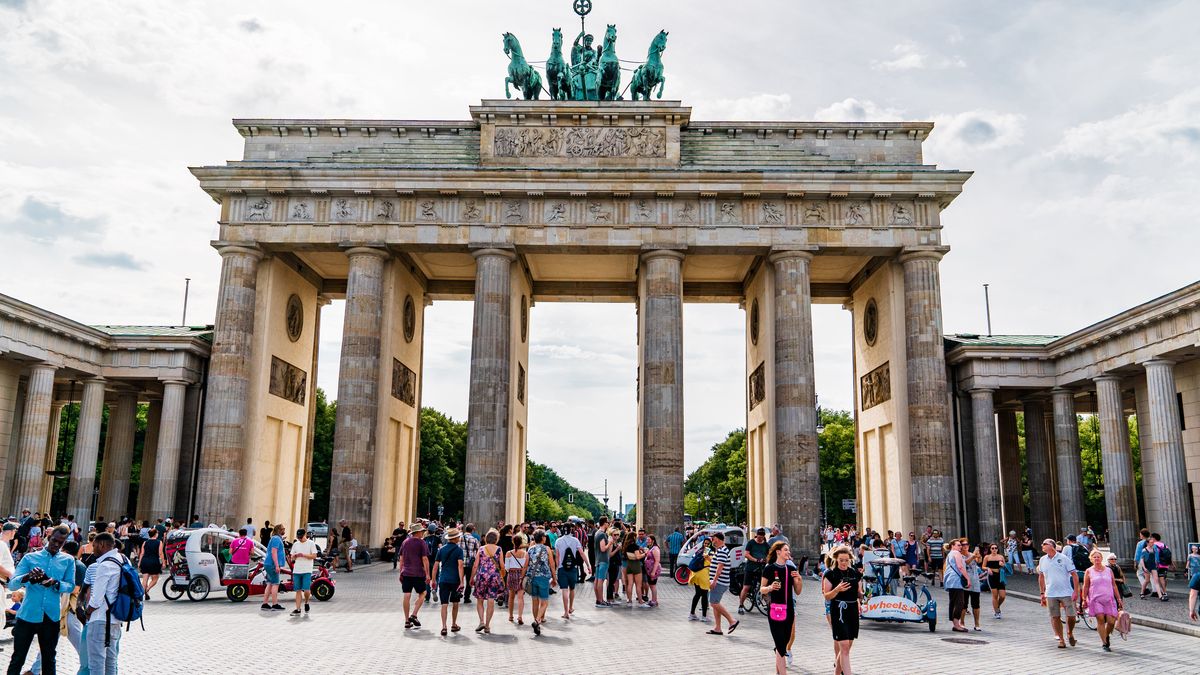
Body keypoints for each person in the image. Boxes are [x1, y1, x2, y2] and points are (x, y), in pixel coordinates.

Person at [5, 525, 75, 675]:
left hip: (51, 616)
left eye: (60, 542)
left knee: (49, 659)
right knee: (18, 658)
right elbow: (11, 584)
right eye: (54, 540)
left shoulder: (68, 560)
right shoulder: (30, 557)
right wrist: (28, 577)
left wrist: (55, 583)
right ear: (49, 538)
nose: (56, 545)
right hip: (28, 614)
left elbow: (70, 586)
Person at [81, 532, 125, 673]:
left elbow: (97, 598)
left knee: (96, 662)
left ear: (101, 545)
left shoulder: (104, 565)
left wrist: (87, 612)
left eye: (94, 546)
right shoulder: (122, 559)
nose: (93, 550)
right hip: (115, 619)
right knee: (111, 661)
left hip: (100, 619)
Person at [760, 541, 804, 675]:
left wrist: (799, 580)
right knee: (780, 646)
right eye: (786, 550)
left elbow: (798, 591)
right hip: (774, 610)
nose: (788, 553)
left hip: (789, 610)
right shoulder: (769, 569)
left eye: (788, 550)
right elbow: (762, 589)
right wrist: (770, 587)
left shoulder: (791, 569)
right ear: (778, 552)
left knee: (783, 645)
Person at [822, 545, 862, 675]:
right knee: (844, 646)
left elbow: (859, 593)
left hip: (852, 612)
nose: (844, 563)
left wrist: (863, 596)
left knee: (846, 648)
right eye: (841, 560)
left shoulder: (855, 573)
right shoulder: (830, 574)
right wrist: (837, 589)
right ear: (836, 559)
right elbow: (827, 595)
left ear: (850, 559)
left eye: (846, 560)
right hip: (838, 611)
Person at [1037, 537, 1080, 648]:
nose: (1042, 545)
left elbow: (1074, 575)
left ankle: (1069, 632)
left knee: (1071, 616)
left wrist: (1075, 591)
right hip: (1051, 593)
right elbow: (1041, 577)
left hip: (1066, 592)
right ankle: (1061, 639)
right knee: (1055, 616)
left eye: (1044, 544)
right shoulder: (1042, 560)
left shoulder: (1064, 558)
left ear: (1052, 545)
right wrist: (1042, 593)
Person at [1081, 548, 1123, 651]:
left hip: (1109, 599)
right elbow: (1085, 586)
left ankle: (1106, 635)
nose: (1096, 559)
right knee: (1100, 619)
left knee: (1111, 622)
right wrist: (1083, 599)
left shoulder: (1108, 570)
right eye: (1094, 557)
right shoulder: (1089, 571)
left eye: (1098, 557)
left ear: (1101, 558)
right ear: (1091, 559)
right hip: (1095, 599)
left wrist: (1118, 598)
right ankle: (1104, 643)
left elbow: (1114, 585)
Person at [431, 528, 465, 636]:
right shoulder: (459, 550)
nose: (459, 538)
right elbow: (460, 566)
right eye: (458, 537)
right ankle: (454, 624)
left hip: (443, 580)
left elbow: (436, 566)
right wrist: (462, 581)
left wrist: (433, 580)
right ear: (455, 538)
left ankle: (444, 626)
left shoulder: (441, 550)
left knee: (444, 604)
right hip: (455, 580)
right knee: (455, 603)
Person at [471, 529, 505, 634]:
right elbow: (502, 565)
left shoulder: (481, 549)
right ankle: (487, 625)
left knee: (480, 599)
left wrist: (472, 577)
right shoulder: (499, 549)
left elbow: (476, 565)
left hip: (482, 576)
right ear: (496, 539)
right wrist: (502, 576)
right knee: (491, 600)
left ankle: (481, 621)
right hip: (494, 577)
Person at [397, 523, 430, 629]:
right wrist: (428, 574)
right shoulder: (422, 543)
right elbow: (424, 559)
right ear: (419, 532)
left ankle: (407, 621)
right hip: (418, 573)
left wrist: (400, 571)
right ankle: (414, 614)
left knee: (407, 595)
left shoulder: (405, 542)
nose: (423, 533)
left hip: (406, 572)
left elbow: (401, 558)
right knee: (423, 593)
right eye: (422, 531)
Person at [705, 531, 738, 636]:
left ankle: (732, 620)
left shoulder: (722, 550)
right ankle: (718, 628)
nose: (712, 541)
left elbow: (720, 567)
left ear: (718, 539)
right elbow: (717, 564)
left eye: (713, 539)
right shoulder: (720, 550)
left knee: (714, 603)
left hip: (720, 582)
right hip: (719, 581)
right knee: (716, 604)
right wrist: (709, 559)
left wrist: (714, 580)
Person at [524, 529, 556, 636]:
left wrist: (522, 578)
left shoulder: (530, 549)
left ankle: (536, 622)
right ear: (542, 538)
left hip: (532, 578)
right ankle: (537, 621)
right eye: (545, 537)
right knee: (545, 602)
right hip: (543, 578)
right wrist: (555, 578)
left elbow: (526, 565)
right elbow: (552, 565)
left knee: (535, 601)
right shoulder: (547, 549)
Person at [553, 524, 587, 619]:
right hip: (573, 568)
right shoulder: (575, 540)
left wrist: (557, 568)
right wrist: (588, 565)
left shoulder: (558, 541)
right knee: (572, 588)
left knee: (564, 589)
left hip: (562, 568)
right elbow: (581, 553)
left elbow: (557, 557)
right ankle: (571, 607)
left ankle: (565, 612)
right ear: (571, 529)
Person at [943, 539, 971, 632]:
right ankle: (956, 624)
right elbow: (960, 566)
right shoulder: (956, 553)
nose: (960, 547)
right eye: (958, 545)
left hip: (951, 580)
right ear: (953, 546)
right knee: (960, 602)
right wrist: (967, 578)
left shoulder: (950, 554)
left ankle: (955, 623)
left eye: (960, 545)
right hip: (955, 580)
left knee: (953, 601)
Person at [739, 528, 769, 615]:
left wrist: (766, 560)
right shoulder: (751, 543)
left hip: (761, 569)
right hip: (750, 568)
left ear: (764, 536)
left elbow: (770, 554)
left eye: (762, 537)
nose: (760, 539)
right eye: (759, 537)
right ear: (757, 535)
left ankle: (768, 606)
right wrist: (755, 560)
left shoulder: (766, 545)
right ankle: (741, 605)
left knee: (764, 588)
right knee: (746, 587)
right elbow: (746, 554)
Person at [289, 528, 318, 616]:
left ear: (305, 535)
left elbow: (314, 556)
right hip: (297, 569)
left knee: (306, 590)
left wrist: (303, 555)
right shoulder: (295, 544)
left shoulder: (311, 543)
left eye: (301, 537)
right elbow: (292, 557)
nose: (300, 539)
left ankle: (306, 602)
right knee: (297, 590)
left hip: (307, 569)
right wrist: (294, 556)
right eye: (298, 537)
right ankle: (298, 609)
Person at [260, 523, 288, 612]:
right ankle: (275, 604)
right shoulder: (276, 539)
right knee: (275, 584)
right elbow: (274, 552)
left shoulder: (275, 538)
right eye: (283, 529)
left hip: (269, 563)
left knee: (269, 583)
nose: (284, 530)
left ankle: (265, 603)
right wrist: (276, 565)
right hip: (272, 564)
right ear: (279, 530)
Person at [504, 533, 528, 624]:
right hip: (521, 574)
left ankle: (510, 616)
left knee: (511, 597)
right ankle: (520, 616)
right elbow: (525, 566)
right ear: (521, 542)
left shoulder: (509, 553)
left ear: (513, 542)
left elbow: (506, 567)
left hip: (511, 574)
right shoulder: (525, 553)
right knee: (520, 597)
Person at [137, 526, 163, 599]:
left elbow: (142, 553)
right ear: (155, 534)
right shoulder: (159, 542)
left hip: (145, 561)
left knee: (145, 579)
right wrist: (163, 562)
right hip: (154, 561)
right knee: (155, 579)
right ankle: (147, 589)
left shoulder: (145, 542)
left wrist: (139, 562)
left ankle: (142, 593)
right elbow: (160, 553)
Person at [983, 542, 1007, 619]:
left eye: (995, 548)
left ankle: (997, 606)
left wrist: (1003, 565)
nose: (994, 549)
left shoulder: (1001, 557)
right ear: (990, 549)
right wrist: (988, 568)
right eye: (992, 548)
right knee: (995, 595)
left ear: (997, 549)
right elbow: (983, 566)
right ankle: (997, 612)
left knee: (1002, 596)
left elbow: (1005, 566)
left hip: (1000, 576)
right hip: (991, 576)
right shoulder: (987, 557)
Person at [621, 532, 644, 607]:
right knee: (638, 585)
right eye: (635, 536)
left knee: (629, 584)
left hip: (629, 565)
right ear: (633, 537)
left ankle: (629, 600)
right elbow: (637, 557)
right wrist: (645, 554)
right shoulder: (635, 546)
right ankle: (640, 602)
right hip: (636, 565)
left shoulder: (626, 546)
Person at [593, 521, 611, 608]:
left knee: (596, 580)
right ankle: (600, 600)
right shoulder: (602, 534)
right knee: (600, 580)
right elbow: (603, 549)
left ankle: (598, 599)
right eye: (608, 523)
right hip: (603, 560)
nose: (608, 525)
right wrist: (610, 543)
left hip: (597, 559)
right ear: (605, 523)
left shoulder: (596, 533)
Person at [461, 523, 479, 603]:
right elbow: (478, 550)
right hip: (470, 563)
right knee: (469, 580)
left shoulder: (460, 538)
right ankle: (466, 597)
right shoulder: (474, 539)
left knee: (459, 579)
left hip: (460, 562)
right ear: (472, 530)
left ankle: (457, 593)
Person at [643, 534, 662, 608]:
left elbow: (657, 561)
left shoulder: (655, 549)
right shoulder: (651, 548)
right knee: (651, 585)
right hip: (649, 570)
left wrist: (653, 572)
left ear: (653, 540)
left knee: (653, 585)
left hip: (653, 570)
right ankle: (654, 600)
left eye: (649, 540)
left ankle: (654, 601)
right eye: (647, 540)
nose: (647, 541)